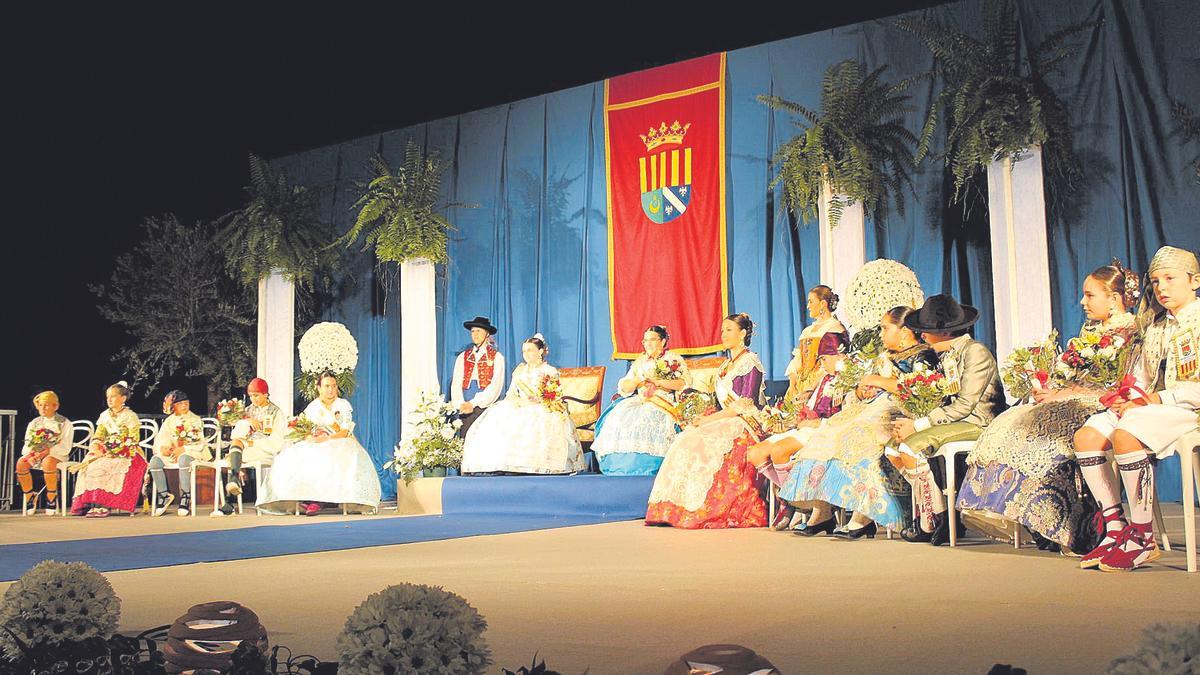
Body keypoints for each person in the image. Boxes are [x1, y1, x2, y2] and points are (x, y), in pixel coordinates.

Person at [958, 263, 1139, 553]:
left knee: (1045, 433)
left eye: (1089, 295)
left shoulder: (1131, 333)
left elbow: (1118, 384)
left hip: (1105, 404)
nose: (1082, 302)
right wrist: (1050, 389)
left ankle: (1072, 523)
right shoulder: (1091, 331)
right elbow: (1074, 374)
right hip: (1074, 397)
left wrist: (1066, 393)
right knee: (1011, 423)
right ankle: (1037, 520)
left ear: (1114, 299)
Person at [1072, 245, 1200, 572]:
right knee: (1087, 436)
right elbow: (1142, 376)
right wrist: (1127, 396)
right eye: (1156, 282)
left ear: (1195, 281)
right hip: (1153, 407)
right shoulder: (1154, 326)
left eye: (1171, 279)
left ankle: (1143, 537)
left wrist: (1157, 399)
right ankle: (1116, 528)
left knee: (1125, 434)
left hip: (1189, 407)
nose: (1162, 288)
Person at [779, 306, 939, 538]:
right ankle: (821, 510)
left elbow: (916, 389)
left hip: (900, 413)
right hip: (875, 407)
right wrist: (864, 389)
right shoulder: (885, 357)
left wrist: (878, 381)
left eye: (885, 329)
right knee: (829, 432)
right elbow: (871, 386)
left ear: (904, 331)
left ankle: (864, 516)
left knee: (858, 436)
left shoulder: (923, 356)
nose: (881, 334)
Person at [886, 294, 1007, 545]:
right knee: (893, 449)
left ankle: (937, 519)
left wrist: (919, 425)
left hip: (979, 421)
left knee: (910, 446)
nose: (922, 337)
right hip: (955, 420)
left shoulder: (976, 353)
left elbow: (965, 405)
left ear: (944, 332)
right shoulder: (947, 355)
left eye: (926, 331)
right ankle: (936, 514)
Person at [646, 313, 768, 529]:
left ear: (742, 333)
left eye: (729, 330)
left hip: (746, 422)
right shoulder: (725, 366)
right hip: (725, 418)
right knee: (686, 438)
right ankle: (672, 508)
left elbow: (745, 404)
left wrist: (711, 419)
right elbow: (721, 403)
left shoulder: (750, 362)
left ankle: (703, 508)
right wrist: (704, 416)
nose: (724, 334)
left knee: (706, 443)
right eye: (722, 330)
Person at [745, 331, 847, 530]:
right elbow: (811, 407)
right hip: (810, 427)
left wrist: (816, 423)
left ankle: (794, 500)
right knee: (755, 452)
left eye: (825, 359)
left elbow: (845, 415)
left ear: (839, 356)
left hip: (825, 430)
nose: (822, 363)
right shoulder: (825, 379)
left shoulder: (847, 380)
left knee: (779, 451)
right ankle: (788, 497)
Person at [258, 370, 382, 516]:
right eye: (327, 386)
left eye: (333, 386)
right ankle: (301, 498)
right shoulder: (313, 407)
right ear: (319, 388)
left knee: (331, 455)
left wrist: (328, 438)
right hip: (317, 442)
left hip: (340, 441)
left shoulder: (343, 405)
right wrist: (312, 436)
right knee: (291, 455)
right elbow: (307, 429)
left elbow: (345, 431)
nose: (330, 390)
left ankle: (317, 502)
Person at [460, 334, 585, 474]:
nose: (526, 354)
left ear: (541, 351)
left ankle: (536, 465)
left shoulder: (549, 371)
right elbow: (511, 393)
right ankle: (502, 465)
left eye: (530, 350)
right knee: (499, 416)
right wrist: (516, 401)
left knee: (535, 419)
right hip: (519, 404)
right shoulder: (519, 371)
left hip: (542, 406)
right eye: (524, 351)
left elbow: (554, 394)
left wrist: (538, 400)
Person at [591, 325, 691, 475]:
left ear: (663, 341)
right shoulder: (639, 362)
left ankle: (648, 466)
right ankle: (620, 466)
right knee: (619, 416)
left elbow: (683, 383)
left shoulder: (673, 359)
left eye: (652, 340)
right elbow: (625, 386)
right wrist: (637, 380)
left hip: (663, 401)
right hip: (641, 400)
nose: (648, 344)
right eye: (645, 341)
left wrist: (659, 382)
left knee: (648, 416)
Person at [70, 381, 147, 517]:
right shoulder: (104, 416)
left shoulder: (130, 416)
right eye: (107, 397)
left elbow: (133, 439)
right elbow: (99, 435)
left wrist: (117, 450)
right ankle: (91, 503)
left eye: (113, 396)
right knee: (92, 463)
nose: (109, 400)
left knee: (113, 465)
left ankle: (105, 504)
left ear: (122, 398)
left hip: (127, 451)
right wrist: (97, 447)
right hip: (106, 451)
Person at [216, 377, 283, 516]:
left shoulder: (276, 412)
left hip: (264, 450)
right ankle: (234, 481)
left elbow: (277, 442)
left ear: (265, 394)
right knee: (236, 443)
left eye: (257, 395)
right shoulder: (248, 411)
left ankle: (229, 501)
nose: (254, 399)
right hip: (246, 447)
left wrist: (254, 443)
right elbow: (237, 435)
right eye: (251, 396)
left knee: (233, 457)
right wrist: (246, 420)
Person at [148, 390, 211, 517]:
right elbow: (161, 439)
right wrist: (164, 448)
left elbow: (198, 441)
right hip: (174, 453)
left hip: (193, 451)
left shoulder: (195, 419)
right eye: (180, 403)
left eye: (186, 402)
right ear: (173, 406)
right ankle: (164, 495)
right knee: (155, 461)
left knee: (183, 459)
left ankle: (186, 497)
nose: (184, 405)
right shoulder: (169, 421)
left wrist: (184, 449)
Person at [785, 285, 846, 399]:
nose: (808, 306)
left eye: (811, 302)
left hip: (821, 384)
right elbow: (798, 359)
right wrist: (792, 383)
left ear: (823, 303)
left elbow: (833, 362)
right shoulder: (807, 331)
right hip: (799, 385)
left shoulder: (834, 327)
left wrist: (811, 388)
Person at [16, 391, 73, 515]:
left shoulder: (64, 423)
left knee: (48, 462)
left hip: (57, 454)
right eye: (41, 405)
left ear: (55, 406)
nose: (43, 408)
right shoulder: (34, 423)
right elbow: (28, 442)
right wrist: (32, 452)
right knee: (21, 463)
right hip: (36, 453)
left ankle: (51, 497)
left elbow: (66, 445)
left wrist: (49, 451)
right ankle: (29, 496)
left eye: (47, 405)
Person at [450, 316, 506, 439]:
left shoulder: (497, 357)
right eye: (473, 331)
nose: (475, 334)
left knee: (484, 440)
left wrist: (474, 403)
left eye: (478, 331)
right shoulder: (463, 357)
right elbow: (456, 382)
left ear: (487, 334)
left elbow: (496, 385)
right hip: (465, 405)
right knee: (465, 438)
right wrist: (460, 404)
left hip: (485, 405)